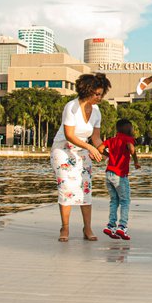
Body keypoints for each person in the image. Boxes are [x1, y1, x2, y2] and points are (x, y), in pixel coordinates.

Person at [51, 72, 110, 242]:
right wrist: (90, 147)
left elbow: (96, 138)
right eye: (97, 94)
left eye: (101, 94)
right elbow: (69, 135)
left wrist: (107, 153)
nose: (100, 97)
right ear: (87, 91)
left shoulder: (97, 111)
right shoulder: (72, 107)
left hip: (82, 150)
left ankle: (88, 228)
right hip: (63, 150)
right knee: (66, 187)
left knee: (85, 188)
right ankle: (65, 227)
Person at [101, 118, 141, 241]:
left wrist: (110, 155)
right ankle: (122, 226)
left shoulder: (112, 140)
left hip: (109, 174)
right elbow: (132, 149)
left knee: (114, 201)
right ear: (128, 129)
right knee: (125, 201)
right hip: (120, 175)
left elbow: (100, 148)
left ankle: (111, 226)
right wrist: (135, 161)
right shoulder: (128, 139)